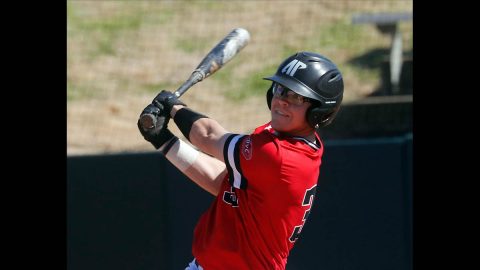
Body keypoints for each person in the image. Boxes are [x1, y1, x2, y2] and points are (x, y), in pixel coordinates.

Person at [137, 51, 344, 269]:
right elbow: (225, 183)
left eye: (297, 97)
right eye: (281, 90)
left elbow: (208, 136)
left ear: (319, 111)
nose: (282, 101)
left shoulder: (279, 156)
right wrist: (164, 141)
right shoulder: (285, 140)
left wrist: (172, 106)